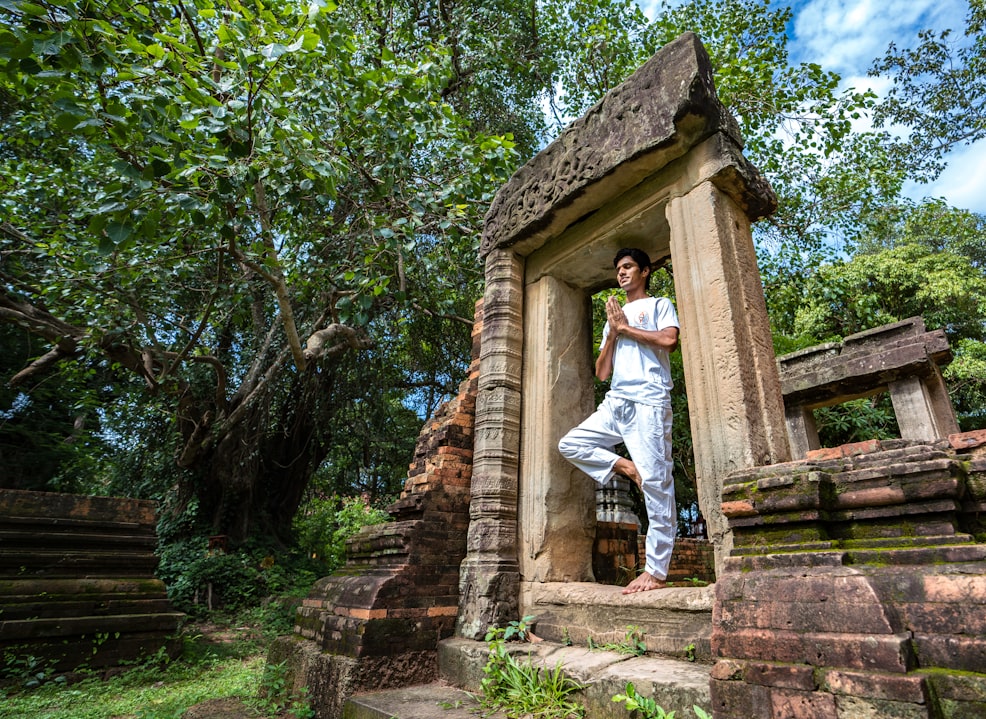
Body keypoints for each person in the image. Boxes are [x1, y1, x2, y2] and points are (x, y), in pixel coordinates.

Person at [558, 248, 680, 594]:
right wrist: (612, 333)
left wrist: (627, 329)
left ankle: (656, 572)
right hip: (617, 401)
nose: (621, 273)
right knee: (571, 443)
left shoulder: (659, 305)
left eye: (628, 267)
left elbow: (670, 340)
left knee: (657, 482)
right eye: (618, 269)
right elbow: (601, 372)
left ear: (644, 271)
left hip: (649, 400)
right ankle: (626, 466)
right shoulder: (614, 320)